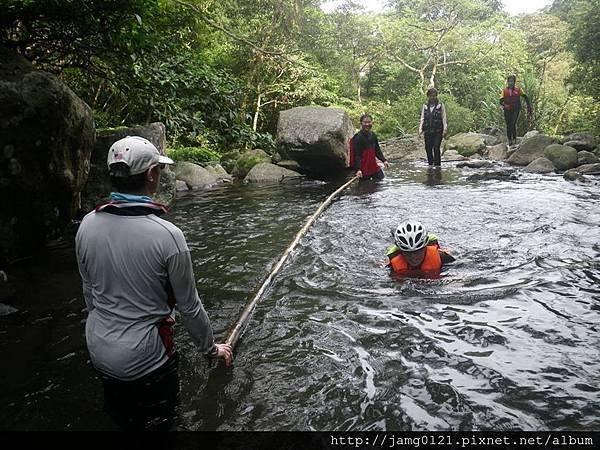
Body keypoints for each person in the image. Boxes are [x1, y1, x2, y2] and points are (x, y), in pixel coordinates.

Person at [75, 136, 232, 430]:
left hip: (99, 348)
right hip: (144, 360)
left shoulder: (87, 224)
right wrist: (212, 350)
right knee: (163, 425)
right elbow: (190, 307)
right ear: (150, 175)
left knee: (121, 420)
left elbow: (90, 294)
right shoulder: (167, 235)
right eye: (158, 169)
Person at [386, 220, 455, 278]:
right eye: (408, 253)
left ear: (425, 247)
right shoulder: (392, 264)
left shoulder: (442, 256)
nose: (413, 257)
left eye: (418, 251)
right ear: (401, 251)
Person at [352, 114, 389, 181]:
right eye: (365, 122)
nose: (367, 124)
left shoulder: (373, 135)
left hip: (373, 167)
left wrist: (384, 160)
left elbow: (377, 150)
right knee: (365, 189)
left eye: (369, 122)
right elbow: (357, 155)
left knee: (381, 182)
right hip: (364, 170)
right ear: (361, 123)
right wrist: (358, 169)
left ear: (372, 123)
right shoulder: (358, 138)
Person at [500, 74, 532, 147]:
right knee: (508, 125)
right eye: (509, 81)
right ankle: (510, 140)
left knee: (513, 123)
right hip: (507, 109)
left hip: (516, 109)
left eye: (512, 81)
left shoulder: (518, 90)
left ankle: (514, 139)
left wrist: (529, 107)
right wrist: (504, 105)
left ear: (514, 82)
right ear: (507, 82)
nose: (511, 83)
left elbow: (526, 97)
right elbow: (501, 101)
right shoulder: (504, 91)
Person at [419, 87, 448, 168]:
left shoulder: (441, 105)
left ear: (436, 96)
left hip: (438, 131)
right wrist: (420, 129)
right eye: (431, 96)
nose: (432, 97)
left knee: (436, 147)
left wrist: (445, 129)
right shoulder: (425, 106)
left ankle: (438, 165)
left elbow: (444, 117)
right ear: (428, 96)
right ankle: (431, 164)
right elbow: (422, 118)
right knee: (428, 148)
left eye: (434, 96)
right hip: (428, 131)